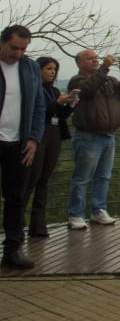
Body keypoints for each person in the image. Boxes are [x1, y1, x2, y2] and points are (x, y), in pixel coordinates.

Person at [66, 50, 120, 230]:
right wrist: (104, 68)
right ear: (79, 63)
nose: (95, 60)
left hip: (109, 135)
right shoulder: (77, 81)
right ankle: (76, 214)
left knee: (103, 176)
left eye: (96, 58)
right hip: (88, 135)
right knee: (82, 177)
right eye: (90, 58)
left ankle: (98, 210)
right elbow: (88, 90)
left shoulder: (109, 81)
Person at [0, 25, 45, 269]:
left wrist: (34, 138)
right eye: (13, 48)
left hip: (19, 143)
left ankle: (13, 250)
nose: (17, 54)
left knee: (16, 197)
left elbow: (39, 106)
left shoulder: (29, 67)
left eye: (23, 49)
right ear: (2, 42)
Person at [24, 56, 75, 237]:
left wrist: (69, 104)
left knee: (44, 179)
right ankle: (18, 224)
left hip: (54, 134)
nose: (52, 72)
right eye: (48, 69)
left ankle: (38, 226)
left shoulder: (53, 90)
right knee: (32, 178)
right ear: (38, 70)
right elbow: (39, 111)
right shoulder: (33, 89)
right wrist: (57, 103)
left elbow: (58, 114)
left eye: (54, 69)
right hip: (39, 134)